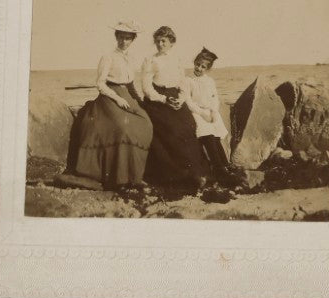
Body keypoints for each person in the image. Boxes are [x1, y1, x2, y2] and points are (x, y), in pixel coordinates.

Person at [62, 21, 154, 190]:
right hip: (108, 97)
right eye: (121, 37)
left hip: (127, 95)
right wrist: (117, 99)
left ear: (133, 40)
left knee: (146, 123)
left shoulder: (131, 58)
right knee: (122, 128)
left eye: (128, 38)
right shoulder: (108, 57)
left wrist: (139, 102)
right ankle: (119, 178)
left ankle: (135, 175)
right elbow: (100, 84)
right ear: (116, 37)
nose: (124, 41)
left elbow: (131, 83)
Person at [137, 26, 207, 194]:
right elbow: (146, 88)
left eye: (164, 41)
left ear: (171, 43)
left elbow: (182, 82)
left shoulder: (176, 59)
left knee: (189, 125)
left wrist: (181, 99)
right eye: (158, 41)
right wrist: (163, 99)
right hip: (157, 100)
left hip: (174, 97)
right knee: (173, 130)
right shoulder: (150, 60)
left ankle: (195, 173)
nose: (160, 44)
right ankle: (176, 176)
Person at [186, 47, 237, 181]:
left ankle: (224, 165)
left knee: (215, 134)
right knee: (207, 133)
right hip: (196, 112)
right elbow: (188, 101)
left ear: (207, 69)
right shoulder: (188, 80)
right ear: (194, 63)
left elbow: (215, 98)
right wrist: (202, 114)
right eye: (198, 65)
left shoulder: (209, 81)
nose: (199, 68)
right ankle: (218, 167)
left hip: (210, 111)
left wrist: (214, 112)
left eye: (203, 67)